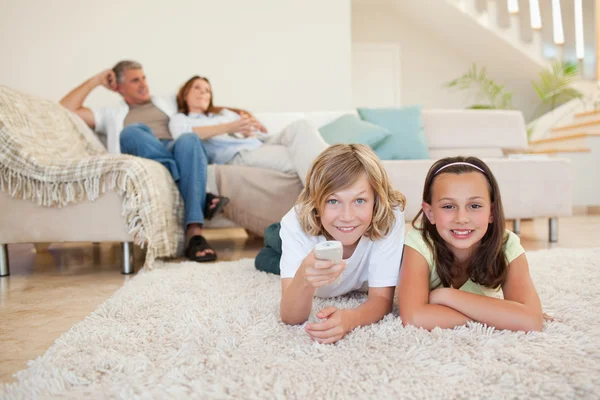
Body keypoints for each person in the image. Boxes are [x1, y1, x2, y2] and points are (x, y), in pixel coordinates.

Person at [59, 61, 232, 262]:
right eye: (135, 80)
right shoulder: (110, 114)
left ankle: (195, 235)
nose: (143, 85)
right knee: (132, 132)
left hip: (176, 151)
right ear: (119, 87)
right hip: (146, 154)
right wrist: (96, 80)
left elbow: (200, 102)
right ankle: (197, 195)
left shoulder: (167, 102)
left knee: (189, 139)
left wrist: (236, 113)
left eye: (144, 78)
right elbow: (64, 109)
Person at [397, 156, 544, 332]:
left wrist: (445, 296)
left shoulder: (507, 246)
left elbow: (532, 322)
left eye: (474, 206)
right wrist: (502, 317)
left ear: (492, 212)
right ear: (430, 213)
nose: (461, 218)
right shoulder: (419, 242)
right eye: (448, 206)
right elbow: (414, 317)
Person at [279, 144, 406, 344]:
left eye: (360, 201)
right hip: (309, 229)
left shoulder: (389, 216)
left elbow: (382, 300)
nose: (347, 217)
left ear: (377, 201)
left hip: (328, 229)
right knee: (270, 251)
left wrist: (350, 318)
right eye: (333, 201)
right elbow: (290, 317)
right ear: (316, 204)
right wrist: (303, 276)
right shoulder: (294, 223)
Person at [168, 75, 328, 183]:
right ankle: (330, 192)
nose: (203, 92)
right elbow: (184, 136)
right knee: (297, 158)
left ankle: (337, 167)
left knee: (302, 126)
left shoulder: (223, 113)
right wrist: (229, 127)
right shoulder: (180, 119)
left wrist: (251, 128)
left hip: (261, 141)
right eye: (197, 88)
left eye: (207, 90)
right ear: (185, 94)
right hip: (241, 153)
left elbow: (246, 127)